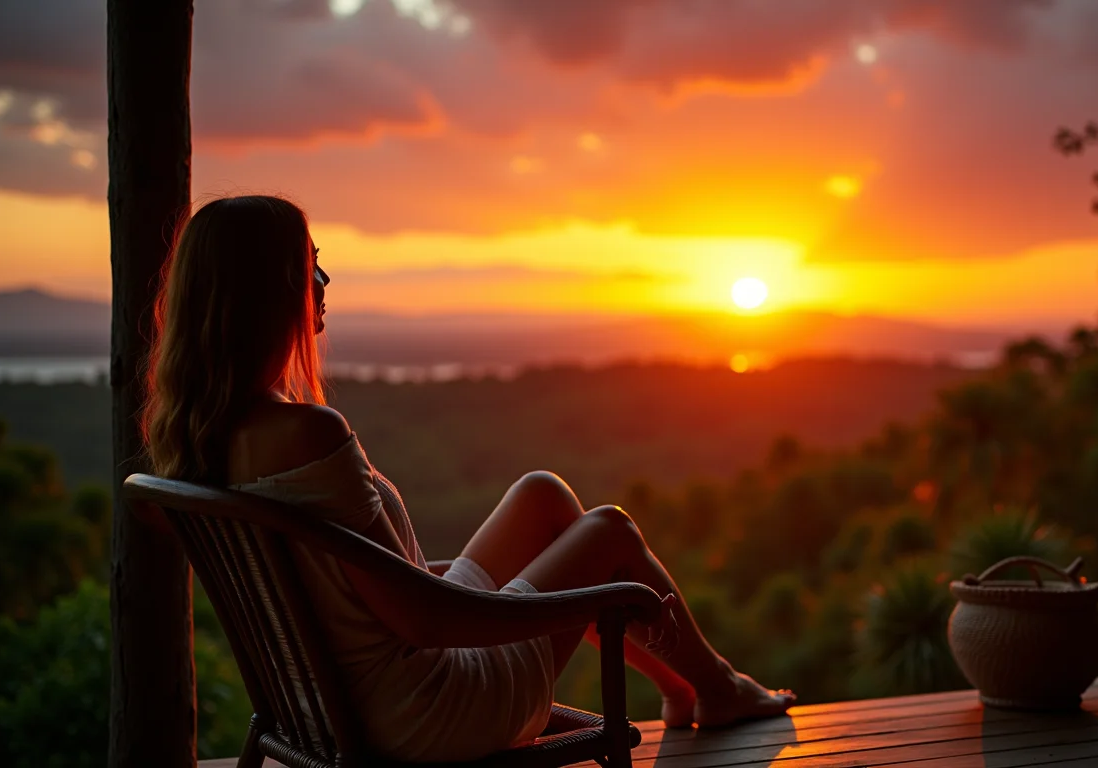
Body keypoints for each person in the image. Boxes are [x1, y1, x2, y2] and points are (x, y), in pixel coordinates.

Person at [141, 195, 794, 762]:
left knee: (542, 494)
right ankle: (717, 689)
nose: (324, 278)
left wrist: (527, 588)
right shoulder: (308, 433)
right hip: (426, 711)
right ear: (268, 291)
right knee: (610, 534)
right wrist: (589, 599)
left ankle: (690, 688)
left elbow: (366, 590)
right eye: (309, 265)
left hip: (338, 698)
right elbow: (424, 621)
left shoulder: (204, 437)